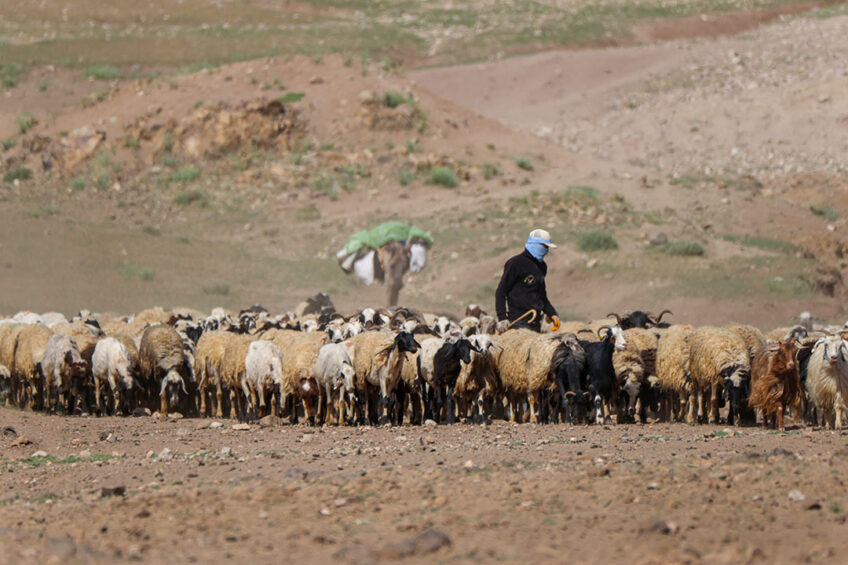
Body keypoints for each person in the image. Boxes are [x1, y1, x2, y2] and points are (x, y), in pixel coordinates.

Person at [495, 228, 561, 333]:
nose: (547, 250)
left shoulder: (542, 266)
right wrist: (502, 318)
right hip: (517, 321)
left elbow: (541, 295)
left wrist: (552, 313)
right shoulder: (515, 263)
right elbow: (501, 291)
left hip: (536, 321)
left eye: (548, 247)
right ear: (535, 244)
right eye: (545, 247)